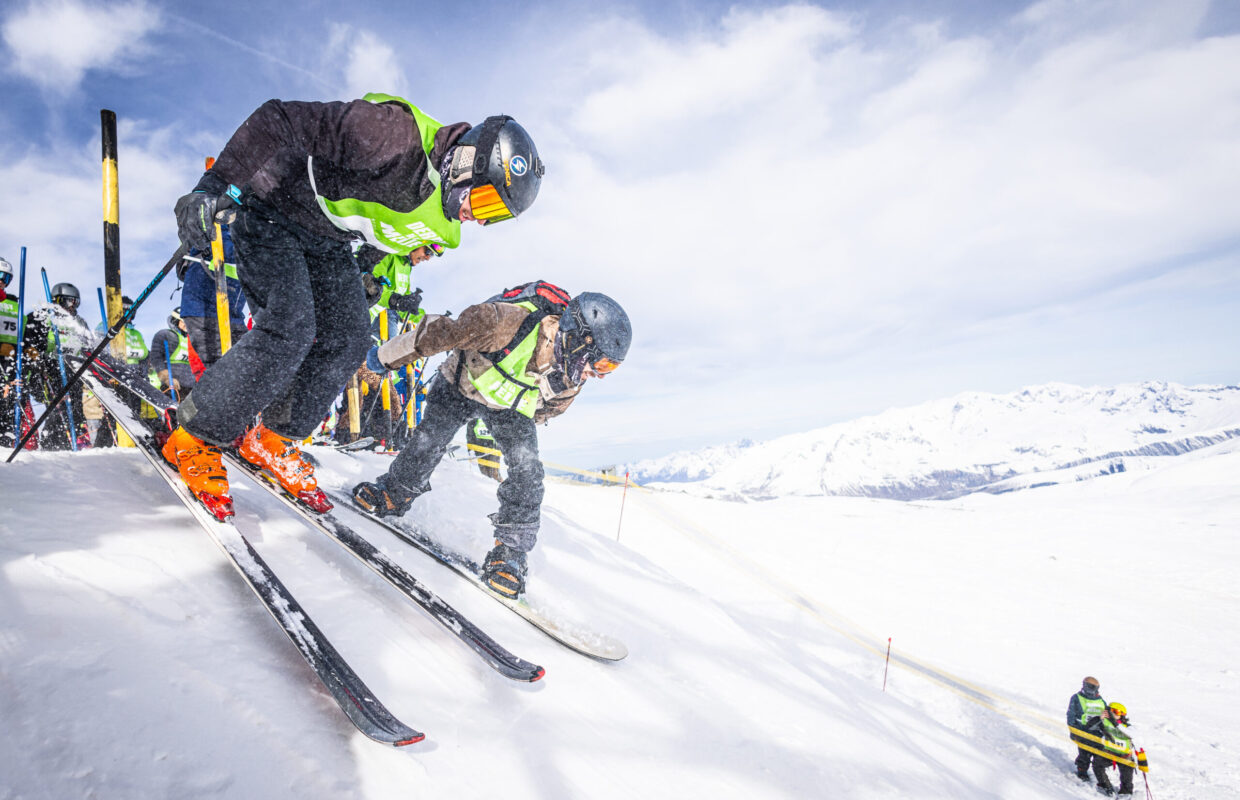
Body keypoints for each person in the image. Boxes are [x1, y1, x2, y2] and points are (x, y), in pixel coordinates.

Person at [161, 93, 543, 519]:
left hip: (328, 238)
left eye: (495, 216)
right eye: (486, 201)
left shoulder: (445, 223)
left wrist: (365, 278)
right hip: (274, 206)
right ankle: (194, 436)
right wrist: (213, 186)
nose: (479, 217)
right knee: (289, 328)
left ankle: (273, 439)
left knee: (349, 337)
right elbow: (278, 117)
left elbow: (385, 223)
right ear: (466, 161)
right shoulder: (390, 136)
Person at [351, 285, 630, 599]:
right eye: (602, 365)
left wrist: (513, 425)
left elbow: (550, 409)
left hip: (508, 407)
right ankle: (393, 493)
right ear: (579, 340)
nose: (600, 375)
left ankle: (509, 554)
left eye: (611, 369)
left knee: (527, 471)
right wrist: (383, 358)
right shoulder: (503, 323)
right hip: (460, 384)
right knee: (430, 439)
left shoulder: (571, 376)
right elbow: (436, 333)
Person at [22, 282, 94, 449]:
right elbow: (29, 341)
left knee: (75, 401)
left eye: (76, 302)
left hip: (72, 366)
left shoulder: (79, 322)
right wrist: (36, 358)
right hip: (49, 365)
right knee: (58, 402)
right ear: (57, 300)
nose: (72, 306)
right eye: (69, 301)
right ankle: (53, 439)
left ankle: (77, 432)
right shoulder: (43, 316)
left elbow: (89, 345)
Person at [1068, 676, 1124, 793]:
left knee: (1099, 757)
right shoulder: (1077, 698)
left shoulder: (1100, 700)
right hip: (1083, 731)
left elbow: (1107, 715)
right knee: (1084, 754)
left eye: (1095, 688)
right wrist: (1074, 731)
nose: (1093, 690)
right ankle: (1082, 772)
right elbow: (1071, 715)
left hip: (1098, 732)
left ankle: (1103, 782)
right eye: (1091, 687)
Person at [148, 308, 196, 399]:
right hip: (172, 386)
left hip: (191, 388)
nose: (186, 324)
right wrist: (167, 379)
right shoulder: (165, 335)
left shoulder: (192, 340)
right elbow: (156, 359)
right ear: (175, 321)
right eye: (183, 321)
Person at [0, 256, 23, 447]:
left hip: (8, 354)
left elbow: (25, 337)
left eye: (5, 277)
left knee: (7, 396)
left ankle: (5, 440)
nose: (1, 280)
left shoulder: (14, 304)